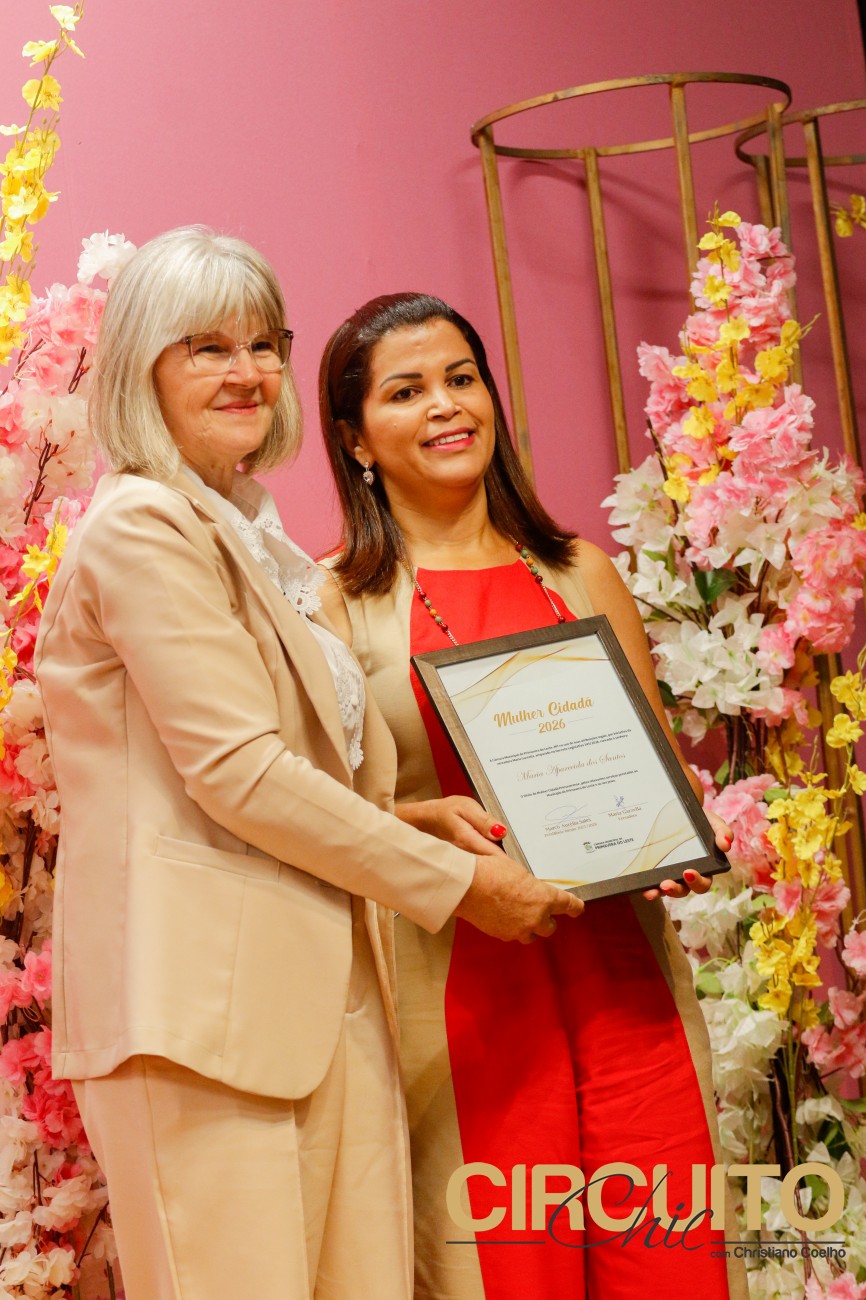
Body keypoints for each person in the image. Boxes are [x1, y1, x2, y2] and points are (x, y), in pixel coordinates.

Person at [34, 235, 583, 1300]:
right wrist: (459, 885)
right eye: (206, 347)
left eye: (263, 343)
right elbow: (236, 772)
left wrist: (406, 818)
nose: (245, 371)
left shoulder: (248, 529)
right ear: (142, 363)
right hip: (203, 1018)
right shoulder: (142, 525)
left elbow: (264, 769)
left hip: (323, 995)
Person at [317, 292, 748, 1300]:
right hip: (458, 996)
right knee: (504, 1273)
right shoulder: (332, 600)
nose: (444, 405)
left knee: (671, 1267)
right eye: (405, 391)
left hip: (624, 981)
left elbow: (652, 759)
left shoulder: (578, 570)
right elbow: (319, 812)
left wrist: (670, 827)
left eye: (461, 378)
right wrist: (423, 832)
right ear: (355, 439)